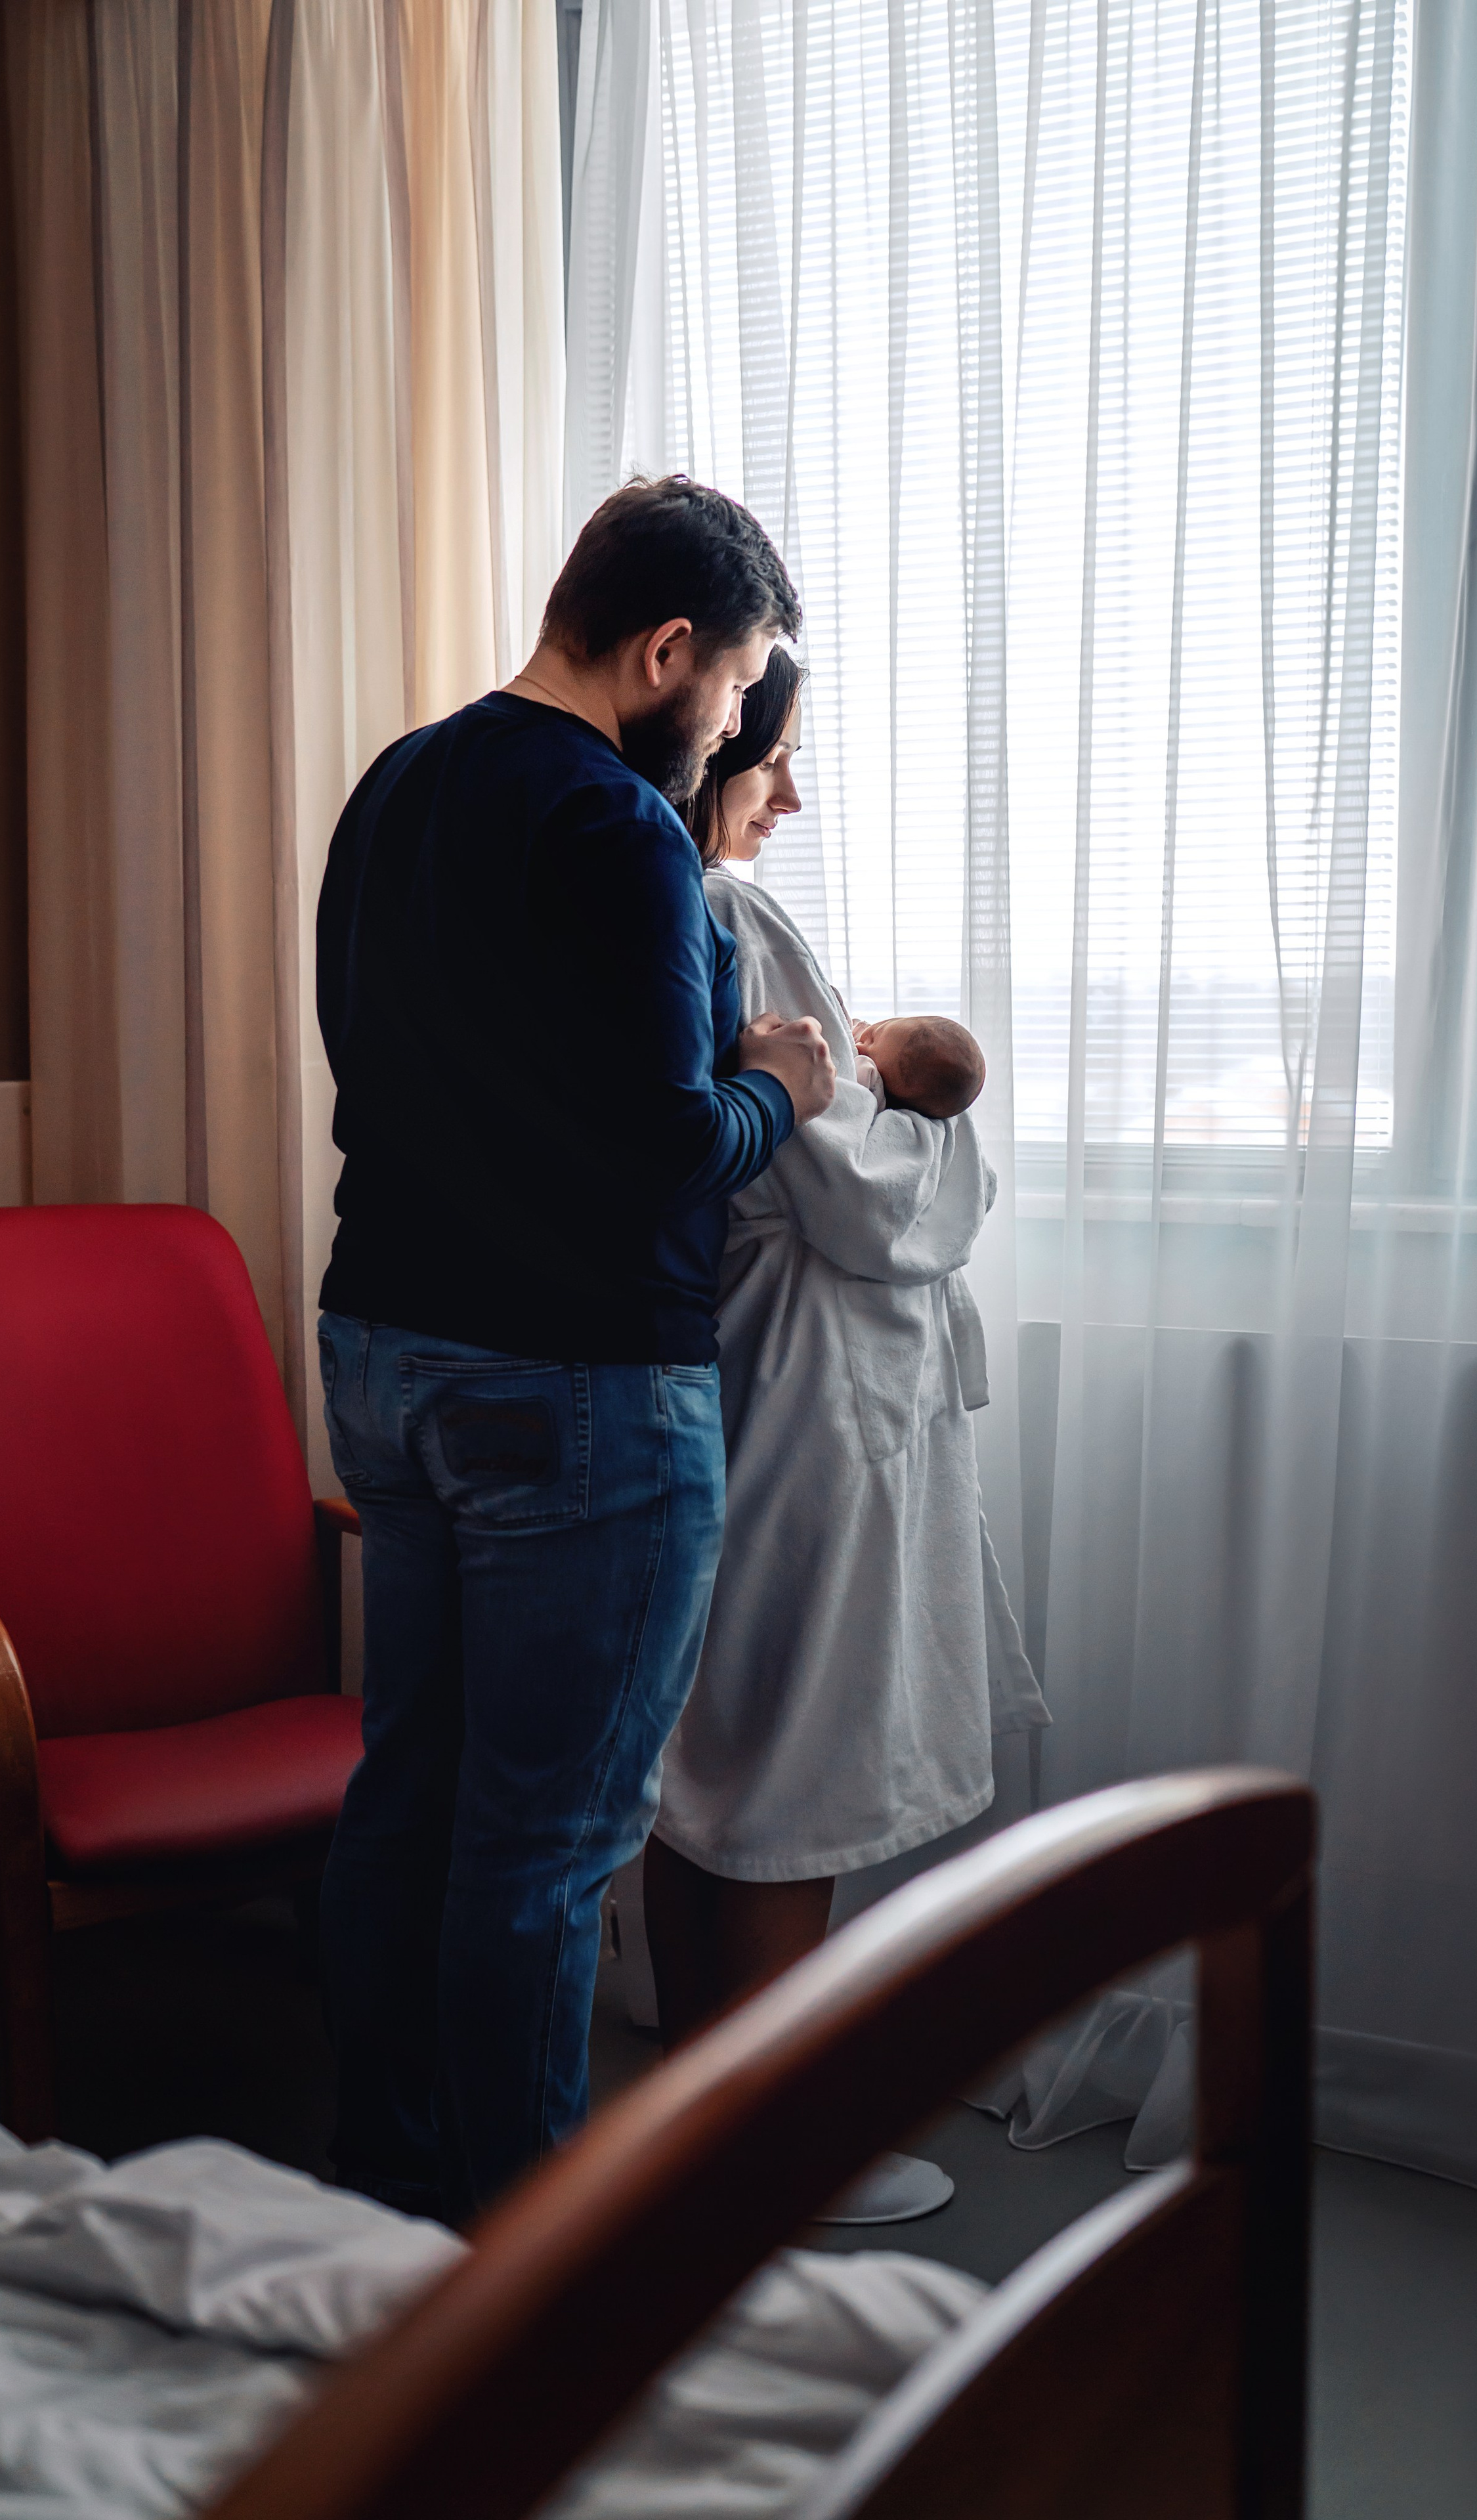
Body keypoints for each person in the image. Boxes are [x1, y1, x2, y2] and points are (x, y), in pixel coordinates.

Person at [313, 478, 836, 2224]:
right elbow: (665, 1150)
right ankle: (523, 2267)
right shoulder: (621, 830)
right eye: (739, 677)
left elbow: (368, 1060)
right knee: (538, 1848)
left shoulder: (395, 784)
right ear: (668, 648)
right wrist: (786, 1083)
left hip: (382, 1349)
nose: (738, 722)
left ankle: (382, 2188)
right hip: (572, 1386)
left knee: (413, 1794)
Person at [644, 651, 1048, 2220]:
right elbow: (866, 1195)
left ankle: (709, 2110)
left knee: (728, 1743)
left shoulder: (681, 908)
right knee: (789, 1757)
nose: (790, 793)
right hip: (812, 1387)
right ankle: (769, 2152)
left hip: (763, 1370)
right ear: (712, 739)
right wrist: (941, 1129)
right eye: (776, 755)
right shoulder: (734, 916)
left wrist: (888, 1081)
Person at [852, 1014, 986, 1118]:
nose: (859, 1046)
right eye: (873, 1036)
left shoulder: (867, 1077)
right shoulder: (863, 1030)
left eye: (871, 1058)